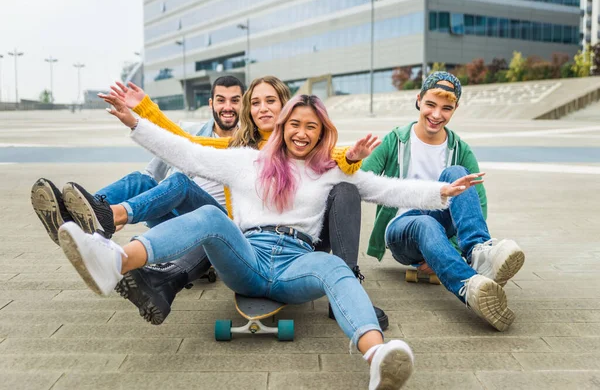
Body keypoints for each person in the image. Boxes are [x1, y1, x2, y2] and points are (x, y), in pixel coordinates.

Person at [57, 93, 480, 389]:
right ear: (282, 127)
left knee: (335, 266)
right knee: (209, 216)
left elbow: (385, 189)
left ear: (321, 134)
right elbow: (186, 153)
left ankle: (377, 357)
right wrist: (137, 122)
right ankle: (114, 260)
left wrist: (441, 193)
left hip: (298, 265)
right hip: (247, 257)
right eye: (294, 124)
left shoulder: (330, 170)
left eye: (311, 128)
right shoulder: (248, 162)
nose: (301, 133)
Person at [99, 77, 390, 329]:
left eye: (271, 101)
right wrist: (144, 111)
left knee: (345, 188)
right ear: (248, 110)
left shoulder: (307, 141)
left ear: (286, 107)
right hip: (250, 241)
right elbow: (186, 144)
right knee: (187, 193)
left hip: (305, 242)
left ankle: (350, 292)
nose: (263, 108)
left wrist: (349, 159)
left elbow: (339, 155)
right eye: (256, 103)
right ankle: (110, 219)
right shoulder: (239, 148)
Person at [30, 75, 245, 323]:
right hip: (176, 208)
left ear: (244, 104)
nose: (227, 107)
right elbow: (153, 172)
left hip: (217, 220)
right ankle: (82, 217)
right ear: (211, 103)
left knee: (178, 183)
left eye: (235, 100)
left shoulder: (248, 144)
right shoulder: (192, 131)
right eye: (221, 100)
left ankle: (103, 218)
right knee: (141, 179)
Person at [361, 71, 525, 332]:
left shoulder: (460, 148)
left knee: (458, 174)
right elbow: (362, 176)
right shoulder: (396, 140)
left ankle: (477, 255)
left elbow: (477, 203)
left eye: (446, 108)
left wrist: (447, 248)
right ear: (418, 100)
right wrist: (353, 158)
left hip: (440, 229)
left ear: (455, 109)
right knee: (424, 221)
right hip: (401, 231)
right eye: (430, 105)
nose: (437, 115)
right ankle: (466, 284)